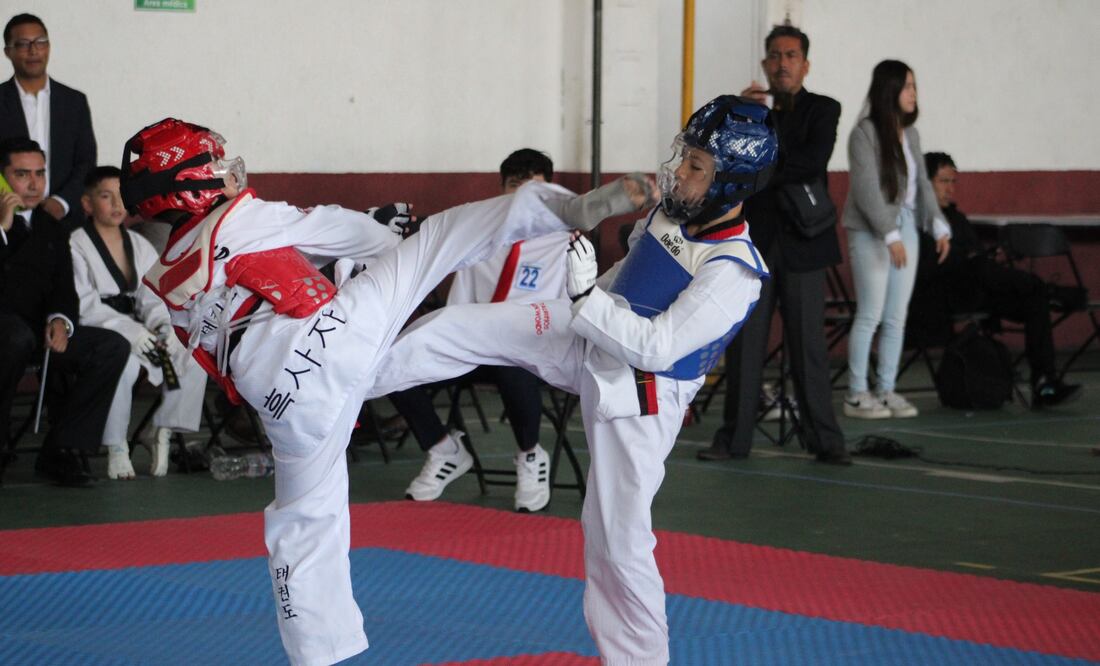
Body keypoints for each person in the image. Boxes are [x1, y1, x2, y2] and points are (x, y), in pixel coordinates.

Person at [120, 117, 652, 666]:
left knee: (302, 525)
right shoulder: (244, 215)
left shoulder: (165, 283)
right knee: (440, 242)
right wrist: (382, 228)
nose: (229, 172)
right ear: (191, 186)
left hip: (288, 405)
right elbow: (346, 233)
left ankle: (316, 654)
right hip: (332, 338)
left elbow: (257, 287)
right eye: (215, 165)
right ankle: (559, 211)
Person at [370, 95, 776, 665]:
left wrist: (586, 298)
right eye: (684, 156)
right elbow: (625, 276)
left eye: (697, 166)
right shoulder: (670, 215)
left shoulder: (734, 269)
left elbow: (658, 347)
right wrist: (578, 295)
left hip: (640, 396)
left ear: (731, 184)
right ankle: (344, 379)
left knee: (617, 543)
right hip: (588, 330)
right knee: (467, 326)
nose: (680, 172)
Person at [697, 24, 849, 464]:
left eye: (791, 55)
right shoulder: (748, 111)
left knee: (809, 347)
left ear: (806, 64)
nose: (783, 64)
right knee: (745, 345)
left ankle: (826, 441)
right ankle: (734, 439)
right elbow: (731, 163)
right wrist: (745, 116)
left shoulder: (824, 109)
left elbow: (810, 162)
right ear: (765, 64)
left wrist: (763, 154)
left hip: (805, 242)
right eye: (776, 56)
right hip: (754, 242)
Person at [390, 148, 570, 512]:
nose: (523, 197)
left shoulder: (565, 240)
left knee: (512, 366)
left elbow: (571, 306)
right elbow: (460, 305)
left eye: (534, 189)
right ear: (501, 188)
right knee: (394, 363)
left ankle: (530, 454)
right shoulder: (481, 238)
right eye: (515, 186)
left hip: (534, 349)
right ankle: (444, 449)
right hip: (478, 348)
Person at [0, 138, 128, 486]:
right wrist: (2, 228)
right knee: (14, 338)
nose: (33, 184)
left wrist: (60, 320)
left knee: (111, 347)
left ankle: (63, 449)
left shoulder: (52, 225)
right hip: (7, 334)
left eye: (39, 174)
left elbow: (64, 290)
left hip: (38, 334)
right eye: (21, 175)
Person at [70, 166, 209, 480]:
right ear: (88, 204)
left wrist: (163, 326)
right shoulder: (75, 244)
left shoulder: (139, 244)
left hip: (143, 330)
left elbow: (152, 297)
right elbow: (84, 303)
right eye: (106, 197)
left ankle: (162, 428)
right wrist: (131, 332)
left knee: (192, 353)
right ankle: (117, 446)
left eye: (121, 197)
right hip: (102, 332)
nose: (116, 205)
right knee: (125, 363)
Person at [913, 152, 1081, 407]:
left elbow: (974, 254)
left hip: (976, 292)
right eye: (943, 181)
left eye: (953, 182)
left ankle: (1044, 381)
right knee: (982, 268)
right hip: (939, 297)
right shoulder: (916, 220)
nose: (950, 189)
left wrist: (978, 257)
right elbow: (932, 264)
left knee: (1032, 300)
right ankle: (1048, 290)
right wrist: (967, 258)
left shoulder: (957, 218)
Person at [842, 60, 951, 419]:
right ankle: (856, 393)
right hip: (872, 230)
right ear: (889, 89)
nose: (913, 93)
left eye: (914, 86)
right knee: (870, 314)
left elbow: (921, 186)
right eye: (907, 86)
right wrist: (890, 235)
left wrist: (938, 226)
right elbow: (866, 190)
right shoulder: (864, 133)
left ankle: (886, 389)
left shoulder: (911, 134)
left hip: (906, 227)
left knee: (896, 317)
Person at [1, 14, 96, 229]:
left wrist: (62, 202)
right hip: (7, 221)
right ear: (8, 52)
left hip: (65, 221)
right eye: (23, 44)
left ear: (49, 46)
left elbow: (86, 161)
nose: (33, 50)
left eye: (40, 42)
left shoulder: (74, 101)